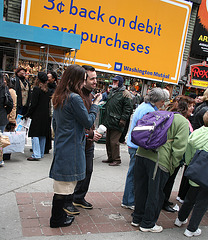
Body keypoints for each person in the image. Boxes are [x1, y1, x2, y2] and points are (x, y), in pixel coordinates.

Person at [49, 64, 101, 228]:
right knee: (64, 187)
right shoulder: (74, 98)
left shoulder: (59, 95)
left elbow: (55, 124)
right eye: (83, 79)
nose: (83, 82)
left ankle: (60, 216)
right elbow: (87, 121)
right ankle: (57, 219)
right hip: (71, 147)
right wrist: (95, 105)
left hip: (63, 144)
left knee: (62, 185)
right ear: (75, 80)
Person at [132, 107, 189, 232]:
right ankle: (148, 224)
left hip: (141, 153)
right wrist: (172, 166)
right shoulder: (183, 122)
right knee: (156, 193)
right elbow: (179, 148)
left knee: (140, 189)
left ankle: (136, 218)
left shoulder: (157, 114)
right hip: (159, 159)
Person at [121, 88, 169, 210]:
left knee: (133, 174)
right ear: (157, 100)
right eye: (162, 101)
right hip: (137, 146)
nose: (163, 103)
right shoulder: (149, 110)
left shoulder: (144, 106)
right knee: (134, 175)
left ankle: (128, 199)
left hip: (134, 144)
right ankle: (129, 200)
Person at [63, 65, 102, 215]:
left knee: (87, 171)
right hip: (78, 141)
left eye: (95, 78)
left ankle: (78, 198)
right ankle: (68, 201)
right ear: (82, 79)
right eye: (91, 78)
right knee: (74, 174)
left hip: (88, 141)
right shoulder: (75, 97)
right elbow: (83, 121)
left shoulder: (89, 95)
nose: (95, 81)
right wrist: (91, 133)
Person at [174, 111, 208, 237]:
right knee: (202, 203)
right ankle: (192, 229)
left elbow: (188, 150)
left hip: (195, 170)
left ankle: (180, 219)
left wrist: (190, 163)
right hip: (206, 176)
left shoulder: (197, 132)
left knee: (190, 197)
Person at [162, 96, 195, 212]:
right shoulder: (182, 121)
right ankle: (163, 201)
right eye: (191, 106)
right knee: (168, 181)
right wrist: (176, 161)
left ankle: (164, 199)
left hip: (172, 157)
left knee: (169, 181)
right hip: (173, 158)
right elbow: (179, 144)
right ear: (185, 107)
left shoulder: (177, 118)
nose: (193, 109)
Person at [102, 75, 133, 166]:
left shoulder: (125, 93)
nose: (114, 83)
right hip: (110, 120)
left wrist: (123, 119)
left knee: (114, 142)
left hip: (117, 121)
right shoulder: (112, 91)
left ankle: (116, 159)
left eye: (116, 81)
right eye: (113, 81)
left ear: (120, 82)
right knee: (108, 141)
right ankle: (110, 158)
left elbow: (128, 108)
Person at [24, 72, 50, 161]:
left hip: (37, 115)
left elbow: (33, 104)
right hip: (45, 115)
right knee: (42, 134)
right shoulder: (47, 90)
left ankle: (36, 154)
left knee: (35, 134)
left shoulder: (36, 89)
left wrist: (28, 114)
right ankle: (41, 152)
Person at [0, 72, 13, 166]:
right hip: (2, 116)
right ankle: (0, 159)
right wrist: (5, 112)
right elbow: (10, 103)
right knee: (0, 140)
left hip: (2, 115)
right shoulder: (4, 88)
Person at [44, 71, 58, 154]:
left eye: (49, 77)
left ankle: (47, 146)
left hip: (51, 110)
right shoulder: (46, 86)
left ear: (53, 79)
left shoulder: (54, 88)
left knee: (51, 128)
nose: (47, 78)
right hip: (47, 110)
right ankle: (45, 146)